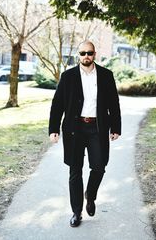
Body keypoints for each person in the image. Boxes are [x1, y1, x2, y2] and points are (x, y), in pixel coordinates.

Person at [49, 41, 121, 227]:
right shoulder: (68, 77)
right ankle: (76, 212)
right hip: (75, 129)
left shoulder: (106, 75)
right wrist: (54, 129)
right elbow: (57, 105)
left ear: (95, 54)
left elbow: (114, 104)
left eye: (89, 52)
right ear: (78, 56)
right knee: (75, 171)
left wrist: (115, 128)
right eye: (82, 53)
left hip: (97, 127)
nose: (86, 56)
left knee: (99, 166)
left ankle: (90, 195)